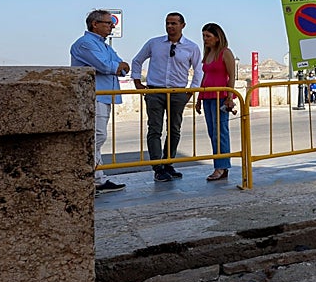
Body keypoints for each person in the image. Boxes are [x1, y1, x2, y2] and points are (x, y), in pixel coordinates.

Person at [130, 12, 205, 182]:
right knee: (154, 129)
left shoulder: (191, 47)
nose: (170, 26)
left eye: (174, 23)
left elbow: (198, 70)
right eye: (167, 23)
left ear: (182, 25)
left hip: (177, 93)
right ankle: (158, 167)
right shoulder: (154, 43)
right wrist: (137, 82)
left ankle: (168, 162)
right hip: (155, 92)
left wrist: (191, 92)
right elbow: (137, 60)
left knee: (174, 129)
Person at [70, 10, 130, 194]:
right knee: (96, 136)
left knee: (98, 136)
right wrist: (115, 67)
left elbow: (122, 67)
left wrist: (117, 67)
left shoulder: (105, 46)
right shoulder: (85, 44)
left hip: (104, 96)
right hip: (94, 96)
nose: (112, 25)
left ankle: (97, 178)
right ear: (94, 24)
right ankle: (90, 177)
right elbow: (105, 65)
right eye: (108, 22)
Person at [194, 22, 237, 182]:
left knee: (221, 132)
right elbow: (204, 77)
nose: (205, 39)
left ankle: (222, 166)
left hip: (220, 96)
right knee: (212, 132)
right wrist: (199, 98)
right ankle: (219, 165)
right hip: (207, 97)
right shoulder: (208, 54)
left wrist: (230, 97)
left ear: (217, 38)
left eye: (208, 36)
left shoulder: (225, 53)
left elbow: (231, 76)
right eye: (203, 36)